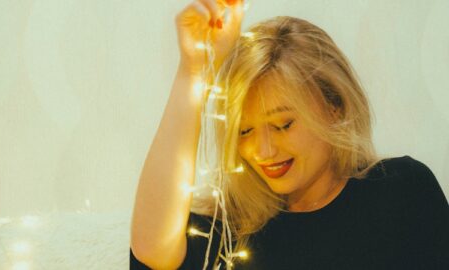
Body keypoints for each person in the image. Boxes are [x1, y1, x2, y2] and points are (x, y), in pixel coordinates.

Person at [130, 0, 449, 269]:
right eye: (244, 131)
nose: (263, 150)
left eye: (283, 125)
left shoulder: (401, 191)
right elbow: (150, 252)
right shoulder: (231, 228)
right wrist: (193, 71)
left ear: (334, 105)